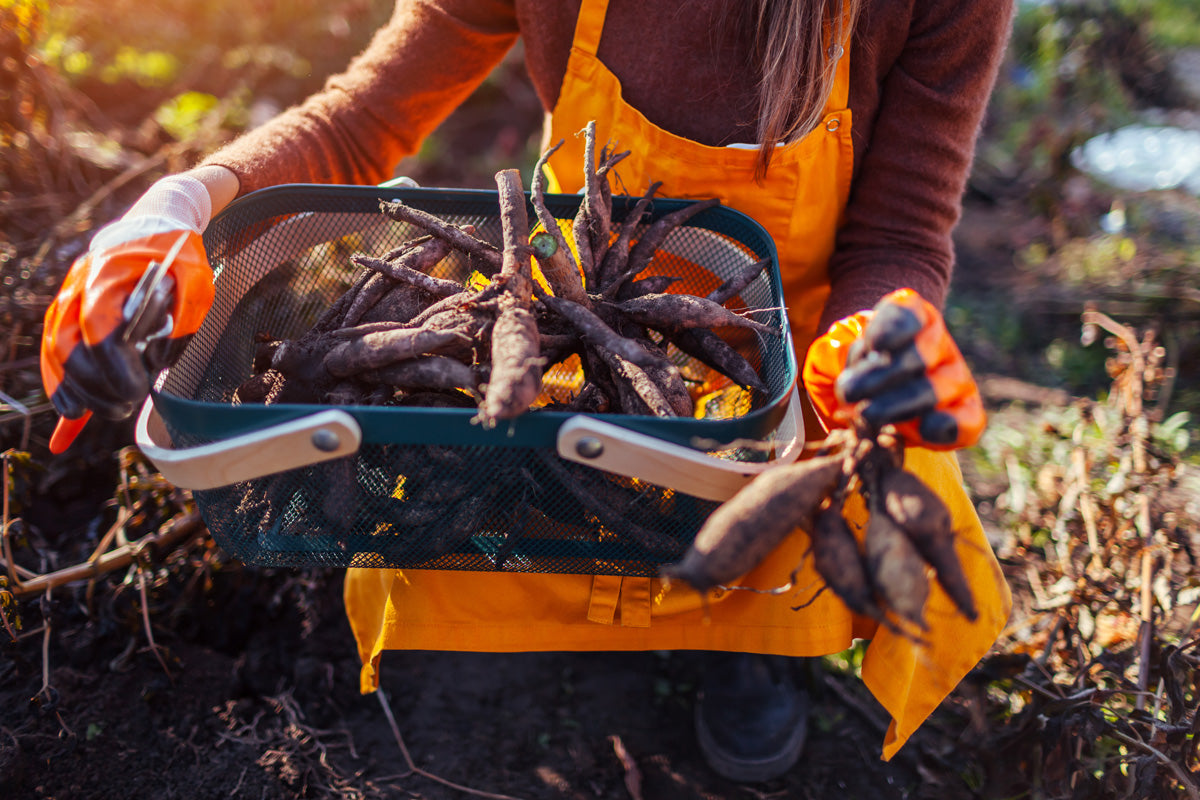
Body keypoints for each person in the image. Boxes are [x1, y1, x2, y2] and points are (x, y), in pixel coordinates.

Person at [40, 0, 1014, 783]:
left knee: (762, 543)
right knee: (492, 508)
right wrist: (182, 204)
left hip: (781, 365)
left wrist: (873, 339)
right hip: (563, 332)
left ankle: (745, 644)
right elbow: (364, 117)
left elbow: (900, 237)